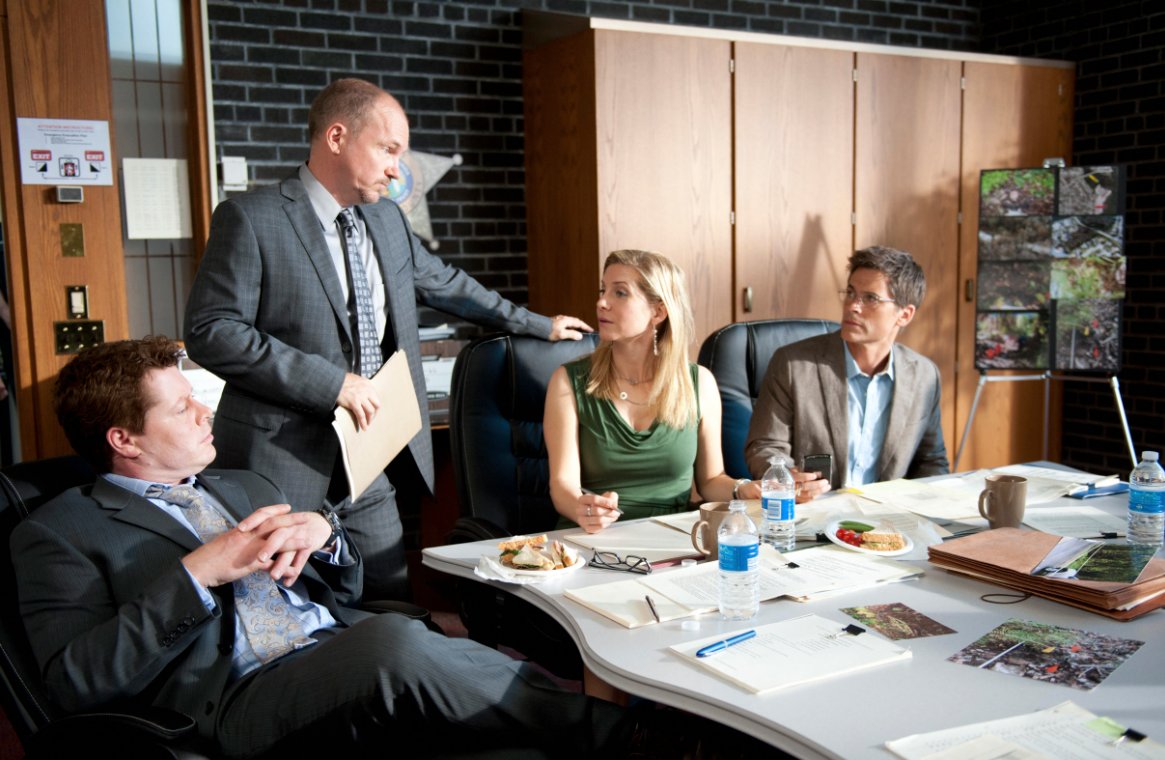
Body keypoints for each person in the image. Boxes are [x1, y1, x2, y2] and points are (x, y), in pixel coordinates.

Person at [11, 336, 629, 759]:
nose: (207, 411)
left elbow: (344, 592)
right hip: (237, 697)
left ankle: (617, 731)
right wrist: (197, 574)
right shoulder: (58, 531)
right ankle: (631, 736)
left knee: (456, 685)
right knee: (396, 645)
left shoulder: (241, 484)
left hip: (336, 647)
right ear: (125, 439)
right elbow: (74, 683)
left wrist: (326, 538)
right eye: (182, 407)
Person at [184, 78, 591, 600]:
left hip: (368, 461)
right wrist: (334, 383)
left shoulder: (386, 218)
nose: (397, 168)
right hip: (281, 462)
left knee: (390, 600)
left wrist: (538, 324)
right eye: (388, 149)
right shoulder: (253, 218)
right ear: (336, 137)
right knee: (294, 613)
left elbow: (446, 284)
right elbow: (212, 331)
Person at [544, 250, 761, 532]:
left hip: (674, 538)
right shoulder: (567, 382)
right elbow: (562, 487)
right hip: (592, 539)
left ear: (658, 311)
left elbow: (710, 481)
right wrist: (582, 508)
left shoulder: (699, 383)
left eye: (620, 293)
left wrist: (742, 488)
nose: (601, 302)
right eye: (603, 290)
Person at [743, 246, 949, 502]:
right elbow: (766, 447)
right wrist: (787, 481)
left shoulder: (924, 376)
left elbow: (931, 462)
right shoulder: (793, 364)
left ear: (904, 314)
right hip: (813, 514)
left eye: (870, 298)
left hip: (888, 523)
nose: (853, 306)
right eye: (850, 293)